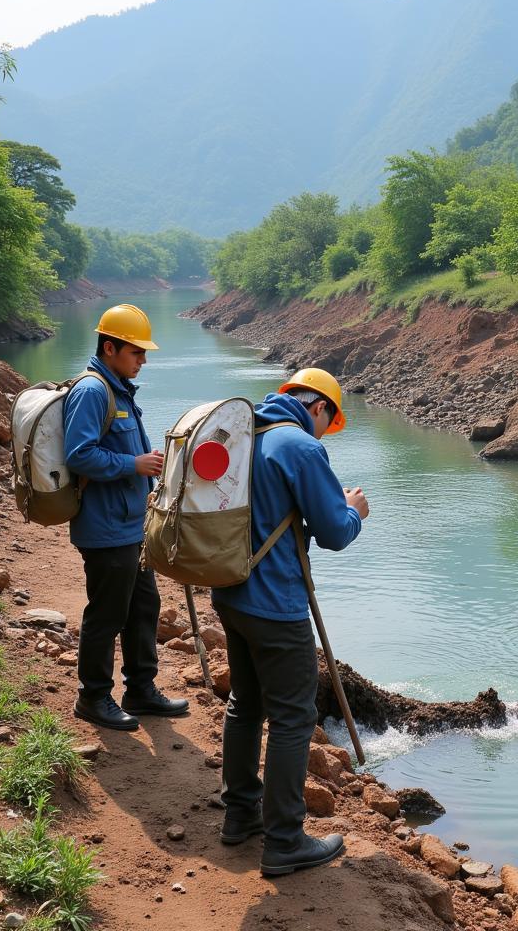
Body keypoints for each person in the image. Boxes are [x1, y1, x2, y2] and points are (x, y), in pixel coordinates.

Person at [212, 367, 368, 877]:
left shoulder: (245, 431)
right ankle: (284, 841)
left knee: (245, 703)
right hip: (275, 604)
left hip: (230, 592)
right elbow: (333, 533)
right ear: (318, 408)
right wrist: (354, 510)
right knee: (294, 718)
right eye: (328, 422)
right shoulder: (301, 447)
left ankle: (240, 816)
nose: (324, 433)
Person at [63, 304, 189, 731]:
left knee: (143, 607)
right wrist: (132, 465)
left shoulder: (119, 389)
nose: (143, 360)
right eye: (136, 352)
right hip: (104, 529)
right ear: (110, 347)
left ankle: (141, 690)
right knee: (107, 614)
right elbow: (78, 455)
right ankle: (93, 697)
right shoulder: (93, 391)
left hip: (131, 526)